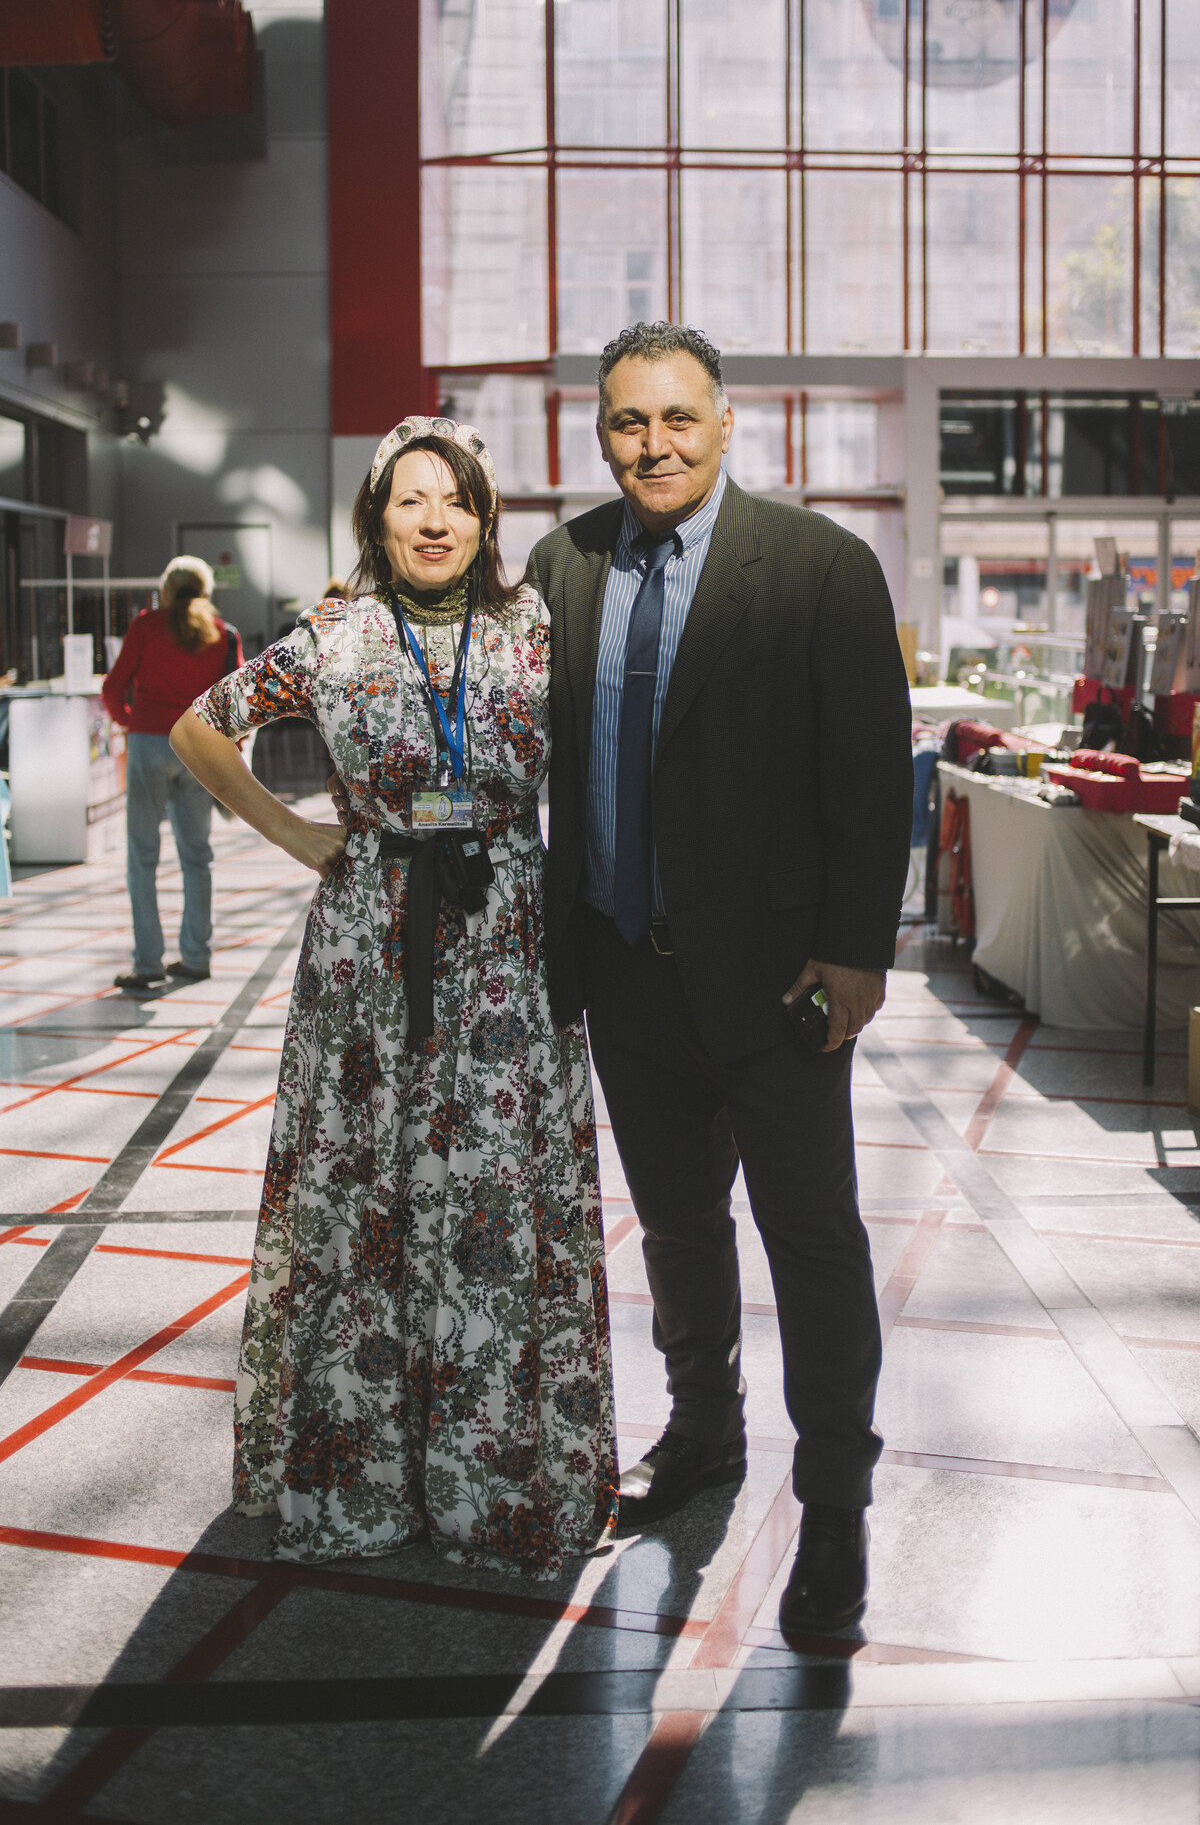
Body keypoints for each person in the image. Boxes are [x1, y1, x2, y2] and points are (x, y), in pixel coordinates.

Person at [169, 418, 616, 1576]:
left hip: (509, 936)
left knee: (492, 1190)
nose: (434, 521)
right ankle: (361, 1476)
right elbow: (197, 728)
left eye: (456, 500)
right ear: (375, 518)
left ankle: (490, 1478)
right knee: (365, 1187)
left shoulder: (533, 628)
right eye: (410, 499)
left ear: (485, 518)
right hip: (368, 943)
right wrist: (293, 831)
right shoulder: (335, 635)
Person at [528, 322, 913, 1632]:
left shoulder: (818, 567)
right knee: (679, 1226)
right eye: (630, 421)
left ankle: (836, 1503)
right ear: (600, 432)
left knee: (813, 1237)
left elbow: (870, 777)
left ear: (727, 420)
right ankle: (704, 1428)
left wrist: (856, 951)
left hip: (780, 980)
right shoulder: (563, 566)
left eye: (679, 417)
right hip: (625, 973)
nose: (656, 444)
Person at [102, 556, 241, 992]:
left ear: (166, 590)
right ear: (206, 590)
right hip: (197, 747)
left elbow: (112, 687)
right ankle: (197, 956)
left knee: (142, 856)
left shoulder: (146, 626)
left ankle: (148, 963)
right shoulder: (223, 633)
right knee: (197, 856)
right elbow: (238, 702)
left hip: (149, 743)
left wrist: (131, 721)